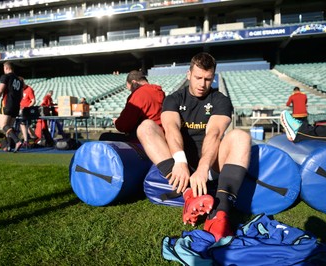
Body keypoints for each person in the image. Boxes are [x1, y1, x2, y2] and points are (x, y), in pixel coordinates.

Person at [136, 52, 251, 241]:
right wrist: (180, 161)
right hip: (181, 167)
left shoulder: (220, 100)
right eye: (198, 78)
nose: (202, 84)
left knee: (240, 136)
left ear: (213, 77)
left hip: (210, 165)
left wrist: (204, 169)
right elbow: (171, 129)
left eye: (207, 79)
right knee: (146, 127)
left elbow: (214, 133)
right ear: (188, 74)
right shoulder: (173, 99)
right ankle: (189, 195)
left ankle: (219, 215)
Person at [99, 70, 165, 143]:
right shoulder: (160, 92)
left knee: (104, 137)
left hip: (144, 138)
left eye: (130, 89)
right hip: (161, 135)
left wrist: (117, 122)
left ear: (134, 82)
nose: (132, 92)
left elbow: (123, 126)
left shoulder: (138, 94)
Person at [0, 61, 24, 152]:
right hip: (16, 105)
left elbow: (0, 90)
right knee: (9, 127)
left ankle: (17, 141)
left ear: (6, 68)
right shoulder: (19, 80)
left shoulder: (6, 76)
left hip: (7, 103)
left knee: (4, 125)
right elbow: (21, 96)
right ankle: (9, 146)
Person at [19, 77, 37, 145]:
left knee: (23, 124)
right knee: (25, 126)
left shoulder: (29, 89)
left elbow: (33, 101)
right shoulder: (20, 90)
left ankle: (26, 141)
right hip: (20, 110)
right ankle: (34, 137)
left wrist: (27, 108)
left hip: (27, 110)